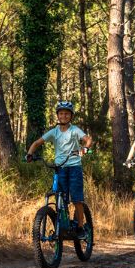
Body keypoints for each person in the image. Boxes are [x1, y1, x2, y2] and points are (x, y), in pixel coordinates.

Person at [25, 101, 94, 237]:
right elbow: (37, 143)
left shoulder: (74, 130)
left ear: (71, 116)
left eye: (67, 114)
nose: (64, 116)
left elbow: (88, 140)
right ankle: (63, 225)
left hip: (74, 167)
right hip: (60, 168)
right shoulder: (54, 132)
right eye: (61, 113)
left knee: (76, 198)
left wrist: (85, 148)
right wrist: (29, 154)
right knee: (60, 198)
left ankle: (80, 227)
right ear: (58, 115)